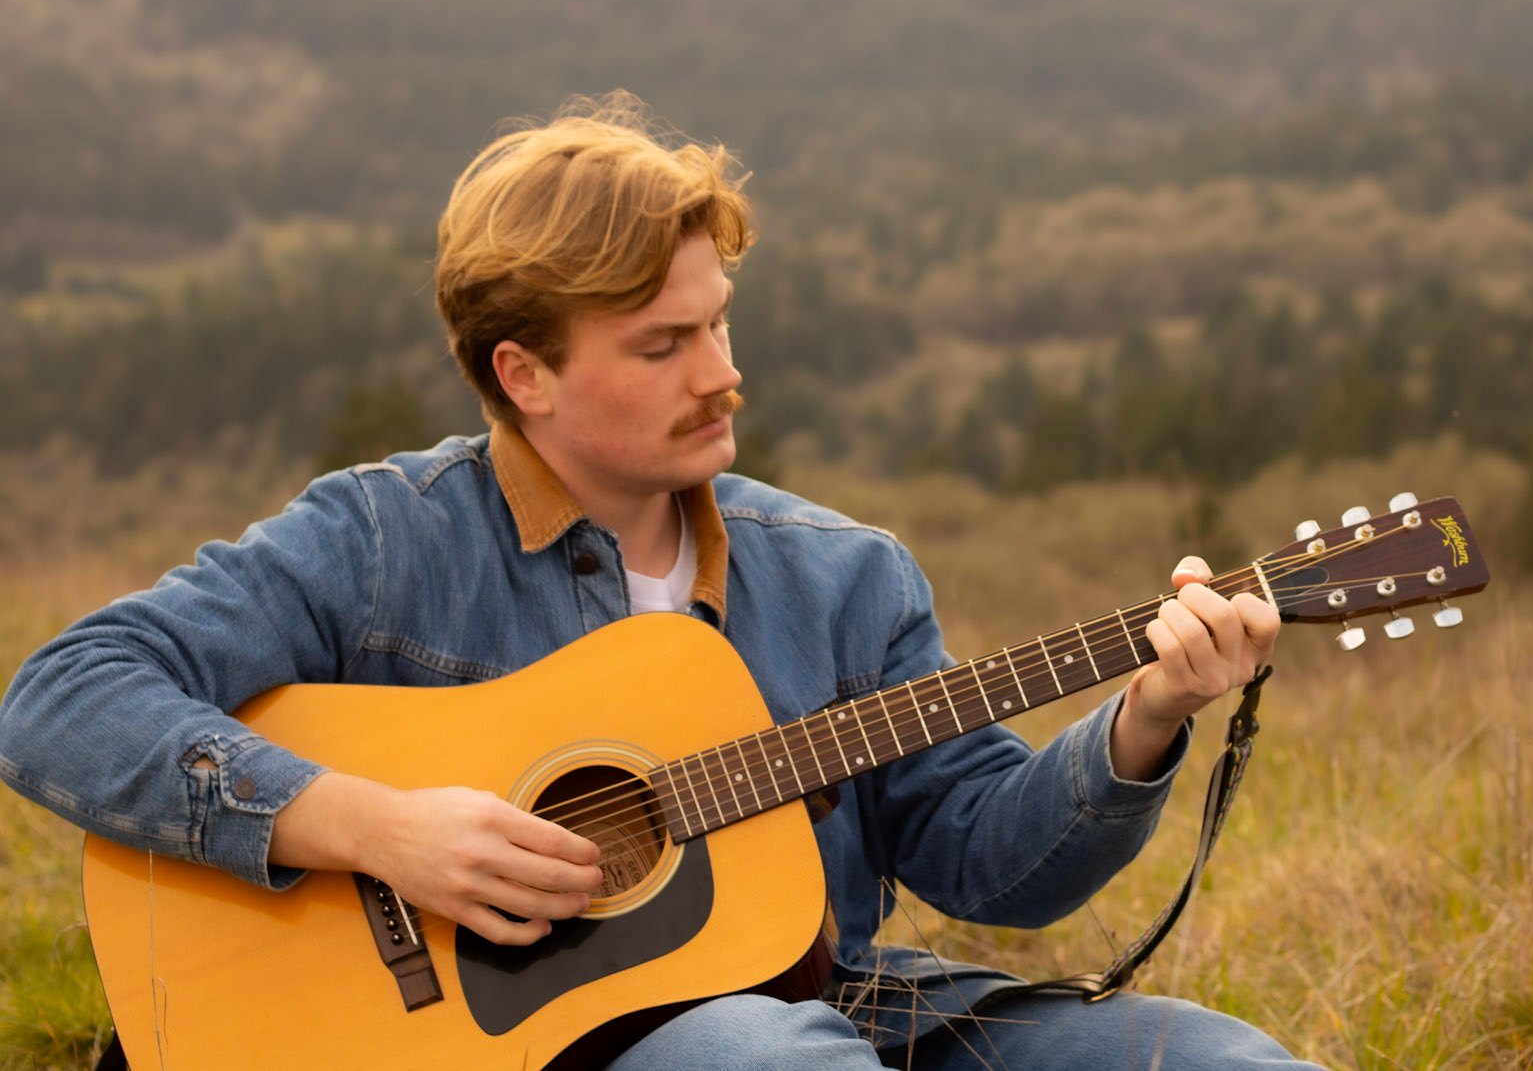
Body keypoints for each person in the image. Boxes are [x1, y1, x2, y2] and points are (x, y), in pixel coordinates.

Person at [0, 94, 1317, 1069]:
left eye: (722, 319)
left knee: (1223, 1066)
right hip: (519, 1046)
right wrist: (367, 824)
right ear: (527, 375)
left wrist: (1146, 718)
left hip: (832, 1001)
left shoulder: (845, 573)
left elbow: (987, 860)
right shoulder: (379, 539)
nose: (722, 370)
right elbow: (61, 696)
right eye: (664, 342)